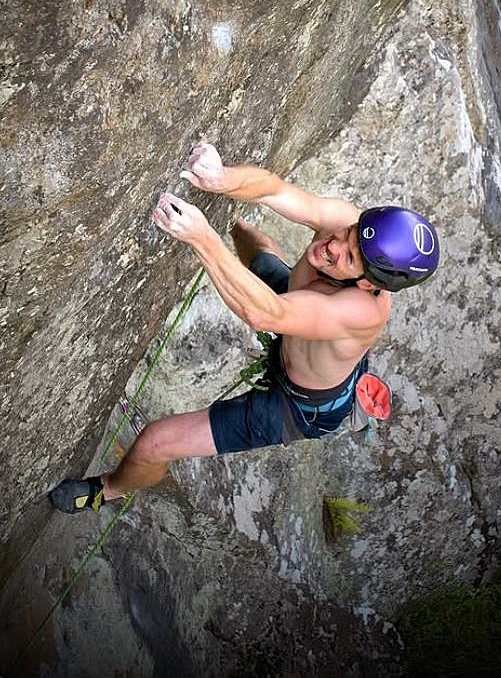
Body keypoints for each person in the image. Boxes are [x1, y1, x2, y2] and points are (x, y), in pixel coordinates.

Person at [50, 141, 439, 514]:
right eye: (347, 234)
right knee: (254, 246)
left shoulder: (360, 310)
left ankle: (111, 490)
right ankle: (235, 225)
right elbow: (275, 189)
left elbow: (267, 314)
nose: (333, 246)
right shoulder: (349, 231)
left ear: (370, 283)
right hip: (298, 319)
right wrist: (222, 178)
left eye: (349, 255)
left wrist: (203, 239)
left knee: (154, 441)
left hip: (296, 405)